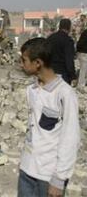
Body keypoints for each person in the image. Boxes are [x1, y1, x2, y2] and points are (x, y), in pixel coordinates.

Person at [18, 37, 80, 197]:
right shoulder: (32, 90)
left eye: (24, 60)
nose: (21, 64)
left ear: (37, 63)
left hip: (48, 176)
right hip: (27, 170)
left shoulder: (64, 94)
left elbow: (70, 138)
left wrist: (59, 179)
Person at [46, 19, 76, 84]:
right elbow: (69, 60)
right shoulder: (68, 41)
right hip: (62, 73)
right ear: (69, 27)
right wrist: (73, 76)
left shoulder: (50, 38)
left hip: (50, 71)